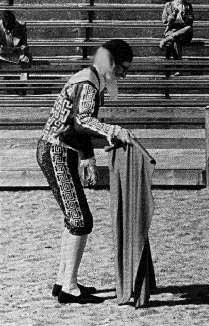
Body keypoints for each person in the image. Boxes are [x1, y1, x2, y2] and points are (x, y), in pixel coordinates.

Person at [36, 39, 135, 304]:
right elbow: (82, 122)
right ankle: (68, 287)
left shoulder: (89, 78)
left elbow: (75, 128)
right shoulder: (89, 82)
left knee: (75, 218)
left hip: (58, 149)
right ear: (111, 63)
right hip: (57, 150)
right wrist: (113, 131)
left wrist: (88, 155)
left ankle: (63, 281)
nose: (124, 75)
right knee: (80, 220)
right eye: (123, 68)